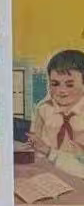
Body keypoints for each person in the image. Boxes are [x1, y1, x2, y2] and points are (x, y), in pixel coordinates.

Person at [27, 48, 84, 178]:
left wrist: (49, 152)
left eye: (69, 85)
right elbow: (35, 145)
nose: (61, 90)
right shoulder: (43, 109)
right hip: (48, 173)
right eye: (55, 84)